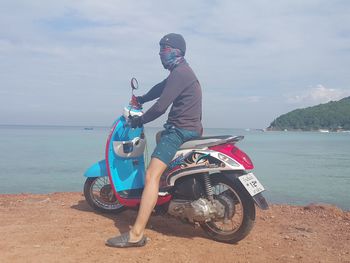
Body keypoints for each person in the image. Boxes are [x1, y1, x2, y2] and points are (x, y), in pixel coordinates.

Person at [106, 33, 202, 248]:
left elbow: (161, 106)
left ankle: (136, 235)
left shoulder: (180, 73)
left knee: (151, 176)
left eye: (164, 50)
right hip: (191, 128)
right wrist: (140, 99)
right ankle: (170, 192)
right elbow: (160, 89)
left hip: (179, 131)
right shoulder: (181, 72)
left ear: (175, 51)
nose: (160, 54)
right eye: (160, 50)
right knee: (160, 138)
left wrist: (139, 120)